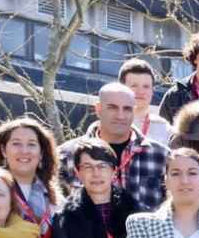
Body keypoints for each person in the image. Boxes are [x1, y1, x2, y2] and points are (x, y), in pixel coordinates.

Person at [59, 81, 169, 212]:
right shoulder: (65, 155)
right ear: (98, 109)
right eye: (113, 108)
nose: (120, 115)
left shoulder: (162, 156)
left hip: (144, 232)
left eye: (127, 109)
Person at [118, 58, 172, 146]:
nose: (141, 91)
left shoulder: (164, 129)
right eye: (134, 86)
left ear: (152, 91)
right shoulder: (109, 124)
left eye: (146, 86)